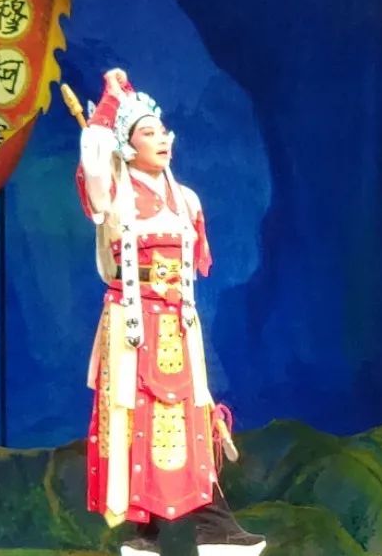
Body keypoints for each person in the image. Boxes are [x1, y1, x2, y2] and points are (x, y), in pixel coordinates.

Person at [76, 68, 266, 556]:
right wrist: (110, 102)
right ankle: (151, 535)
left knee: (189, 418)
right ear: (127, 146)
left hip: (179, 328)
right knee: (138, 417)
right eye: (148, 133)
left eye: (163, 131)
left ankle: (208, 529)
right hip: (134, 326)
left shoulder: (186, 200)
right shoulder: (114, 193)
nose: (161, 139)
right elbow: (94, 155)